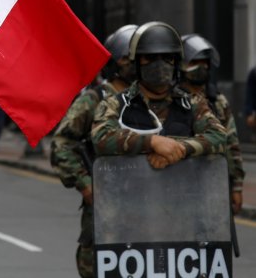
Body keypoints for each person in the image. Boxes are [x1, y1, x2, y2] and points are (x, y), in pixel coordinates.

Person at [50, 24, 137, 278]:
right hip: (105, 205)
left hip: (150, 203)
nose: (133, 63)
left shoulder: (156, 100)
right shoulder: (95, 99)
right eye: (126, 57)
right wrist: (86, 184)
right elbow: (62, 143)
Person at [91, 21, 226, 168]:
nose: (159, 64)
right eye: (150, 58)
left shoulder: (192, 104)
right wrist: (152, 142)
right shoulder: (116, 104)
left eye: (167, 57)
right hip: (131, 188)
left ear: (175, 63)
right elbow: (101, 138)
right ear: (137, 62)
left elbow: (218, 136)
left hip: (184, 188)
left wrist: (179, 149)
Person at [179, 33, 245, 214]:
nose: (201, 67)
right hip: (178, 183)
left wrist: (237, 186)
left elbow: (231, 143)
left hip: (213, 181)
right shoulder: (173, 99)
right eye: (194, 63)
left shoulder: (217, 101)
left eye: (204, 62)